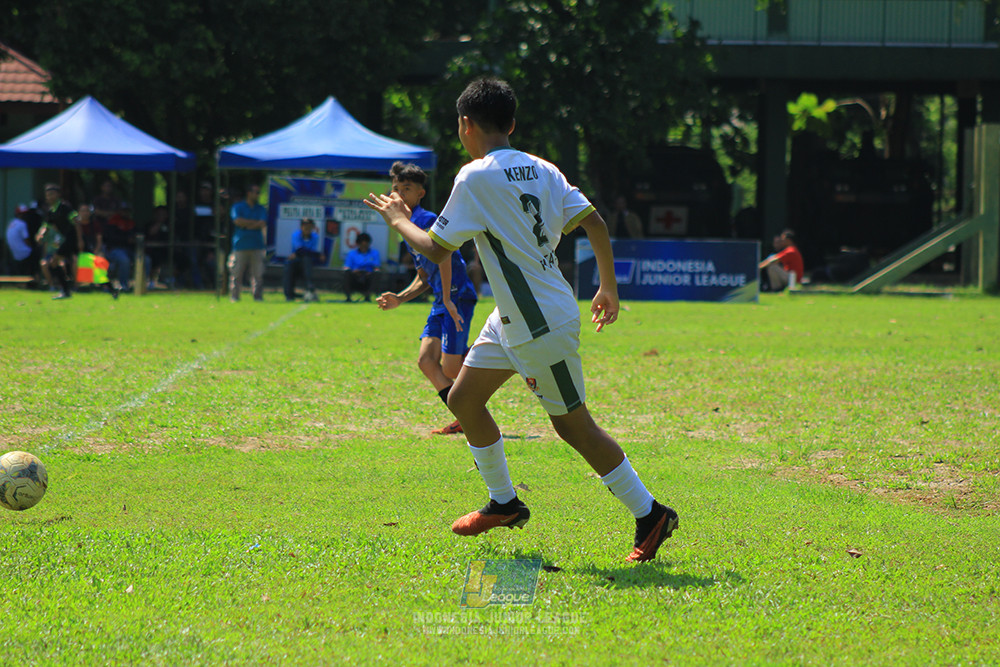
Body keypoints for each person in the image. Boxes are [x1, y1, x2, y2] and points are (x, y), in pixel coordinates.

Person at [364, 77, 678, 563]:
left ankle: (651, 513)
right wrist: (608, 286)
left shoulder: (475, 176)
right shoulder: (541, 168)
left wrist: (399, 216)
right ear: (511, 123)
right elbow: (593, 221)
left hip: (538, 323)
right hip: (516, 315)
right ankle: (504, 503)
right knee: (464, 398)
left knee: (575, 428)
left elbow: (433, 246)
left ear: (465, 125)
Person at [376, 161, 478, 436]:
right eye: (395, 189)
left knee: (451, 366)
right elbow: (424, 273)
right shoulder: (406, 226)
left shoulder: (426, 220)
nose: (398, 194)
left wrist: (446, 298)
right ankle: (465, 418)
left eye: (406, 189)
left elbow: (441, 256)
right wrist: (400, 297)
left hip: (456, 297)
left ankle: (499, 358)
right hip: (442, 300)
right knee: (425, 361)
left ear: (420, 193)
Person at [38, 184, 80, 300]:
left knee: (54, 262)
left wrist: (80, 240)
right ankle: (66, 290)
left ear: (58, 195)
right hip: (66, 240)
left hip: (72, 239)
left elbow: (76, 222)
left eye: (51, 194)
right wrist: (41, 235)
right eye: (47, 195)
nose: (49, 197)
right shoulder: (51, 210)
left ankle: (66, 291)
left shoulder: (65, 207)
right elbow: (46, 225)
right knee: (54, 263)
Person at [228, 183, 267, 302]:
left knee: (258, 274)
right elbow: (237, 221)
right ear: (249, 193)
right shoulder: (238, 207)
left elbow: (262, 223)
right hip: (240, 244)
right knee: (236, 273)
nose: (258, 195)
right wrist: (253, 224)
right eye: (256, 192)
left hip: (257, 245)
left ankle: (257, 296)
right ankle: (235, 296)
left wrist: (246, 225)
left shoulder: (260, 208)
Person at [283, 217, 325, 302]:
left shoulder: (315, 237)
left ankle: (309, 288)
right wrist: (317, 254)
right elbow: (300, 250)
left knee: (306, 260)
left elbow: (307, 252)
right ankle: (289, 294)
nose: (307, 228)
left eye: (309, 226)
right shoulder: (296, 235)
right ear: (301, 227)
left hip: (307, 261)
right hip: (296, 260)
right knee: (288, 265)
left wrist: (307, 253)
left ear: (312, 227)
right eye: (304, 226)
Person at [343, 232, 380, 302]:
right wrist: (354, 272)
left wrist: (369, 272)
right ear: (358, 244)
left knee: (376, 274)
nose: (364, 247)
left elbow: (376, 267)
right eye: (362, 245)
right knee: (346, 274)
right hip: (355, 277)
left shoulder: (375, 253)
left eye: (366, 245)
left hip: (368, 277)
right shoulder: (352, 254)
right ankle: (348, 297)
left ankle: (367, 296)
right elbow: (347, 267)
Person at [5, 204, 36, 276]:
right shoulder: (22, 224)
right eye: (23, 214)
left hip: (14, 254)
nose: (25, 216)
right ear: (19, 214)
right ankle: (36, 279)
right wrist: (32, 247)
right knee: (37, 254)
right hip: (24, 253)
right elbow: (26, 239)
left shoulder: (11, 223)